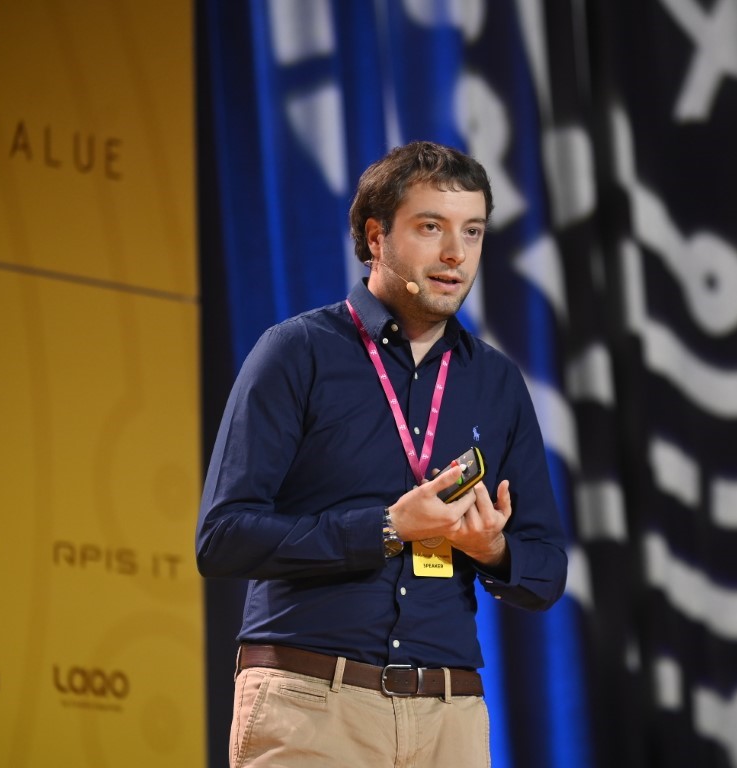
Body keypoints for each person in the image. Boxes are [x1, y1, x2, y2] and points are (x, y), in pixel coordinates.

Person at [196, 141, 568, 767]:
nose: (456, 254)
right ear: (376, 237)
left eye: (472, 231)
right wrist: (388, 528)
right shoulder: (297, 352)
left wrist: (492, 550)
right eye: (431, 227)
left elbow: (547, 570)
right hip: (313, 701)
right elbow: (222, 538)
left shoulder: (497, 382)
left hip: (449, 715)